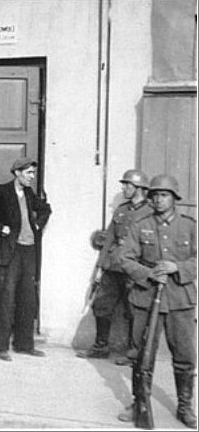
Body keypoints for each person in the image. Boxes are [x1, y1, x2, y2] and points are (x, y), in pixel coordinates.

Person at [117, 173, 196, 429]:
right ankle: (139, 401)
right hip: (146, 297)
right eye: (155, 195)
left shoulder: (189, 226)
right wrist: (148, 273)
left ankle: (185, 405)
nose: (159, 200)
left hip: (180, 299)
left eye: (164, 195)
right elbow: (124, 258)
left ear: (174, 199)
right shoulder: (140, 225)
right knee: (142, 354)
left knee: (184, 355)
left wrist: (177, 267)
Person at [77, 169, 152, 363]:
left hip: (134, 267)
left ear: (140, 188)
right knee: (101, 305)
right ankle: (101, 347)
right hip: (113, 267)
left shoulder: (150, 212)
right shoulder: (121, 210)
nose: (124, 188)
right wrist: (100, 268)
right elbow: (109, 238)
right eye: (124, 184)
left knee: (134, 310)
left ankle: (135, 354)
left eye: (128, 185)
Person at [0, 157, 52, 361]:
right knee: (5, 298)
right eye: (29, 172)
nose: (32, 177)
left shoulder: (29, 193)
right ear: (17, 172)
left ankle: (24, 344)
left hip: (28, 252)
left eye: (33, 173)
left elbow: (46, 209)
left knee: (27, 299)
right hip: (9, 252)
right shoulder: (1, 192)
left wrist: (38, 223)